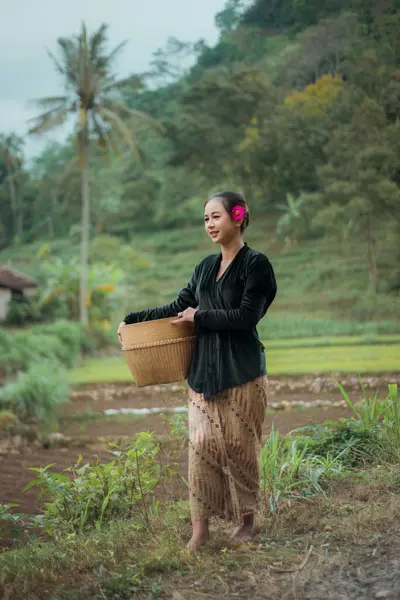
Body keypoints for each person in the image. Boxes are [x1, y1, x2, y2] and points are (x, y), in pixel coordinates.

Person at [117, 191, 277, 552]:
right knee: (201, 446)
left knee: (239, 447)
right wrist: (131, 320)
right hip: (204, 373)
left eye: (216, 216)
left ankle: (247, 523)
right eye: (205, 219)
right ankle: (200, 530)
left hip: (242, 372)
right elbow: (178, 306)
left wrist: (199, 316)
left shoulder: (256, 265)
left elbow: (247, 317)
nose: (209, 224)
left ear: (238, 216)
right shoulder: (205, 267)